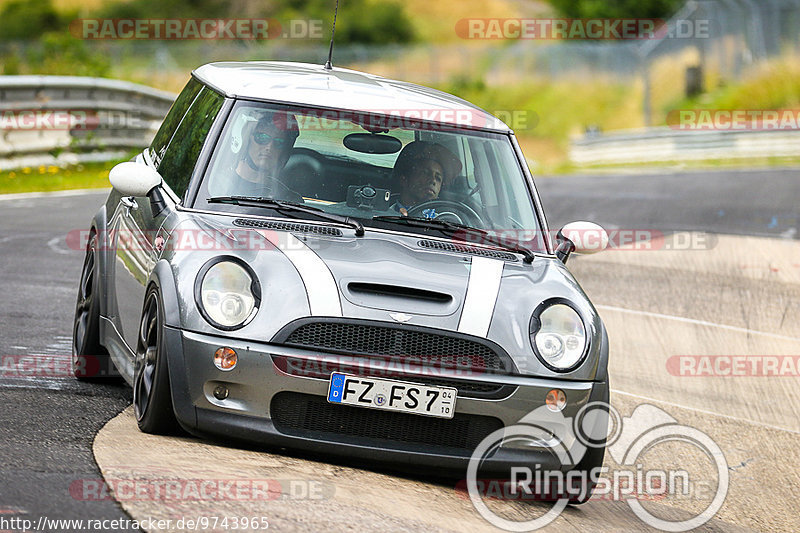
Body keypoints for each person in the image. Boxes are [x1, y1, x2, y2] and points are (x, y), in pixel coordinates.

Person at [227, 111, 302, 201]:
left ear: (284, 151)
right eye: (262, 137)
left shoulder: (288, 199)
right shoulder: (214, 186)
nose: (269, 147)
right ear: (247, 139)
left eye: (279, 142)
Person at [391, 140, 462, 217]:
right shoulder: (383, 216)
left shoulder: (444, 222)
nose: (433, 181)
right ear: (404, 180)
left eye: (438, 178)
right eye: (425, 173)